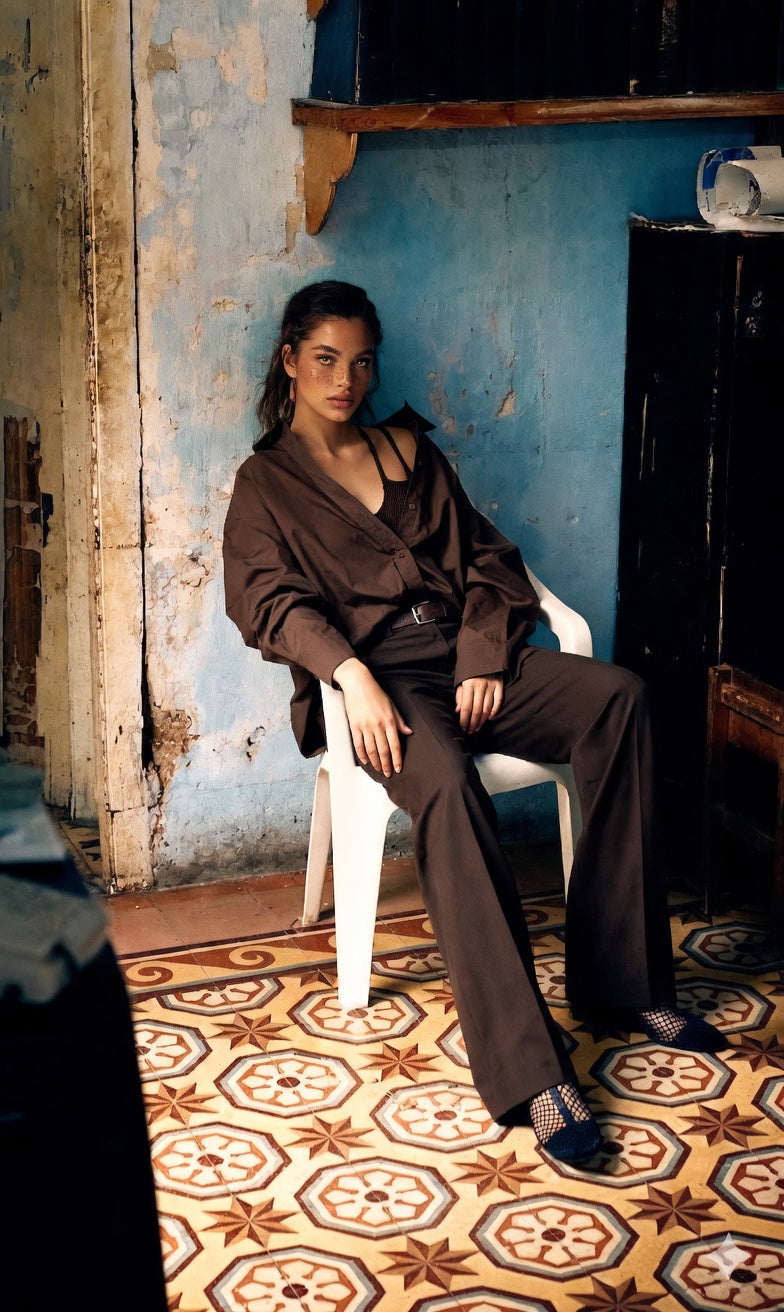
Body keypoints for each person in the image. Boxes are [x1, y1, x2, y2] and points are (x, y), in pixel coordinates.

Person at [223, 279, 726, 1164]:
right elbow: (268, 602)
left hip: (465, 663)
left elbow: (493, 562)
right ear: (292, 362)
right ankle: (533, 1073)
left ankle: (621, 984)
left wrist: (484, 656)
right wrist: (351, 676)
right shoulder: (266, 484)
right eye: (327, 359)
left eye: (361, 360)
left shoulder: (408, 450)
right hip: (384, 689)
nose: (346, 378)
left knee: (620, 697)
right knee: (449, 789)